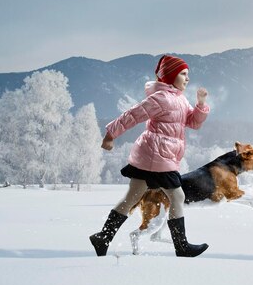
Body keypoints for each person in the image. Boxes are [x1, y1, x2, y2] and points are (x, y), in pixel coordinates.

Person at [89, 55, 210, 257]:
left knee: (132, 197)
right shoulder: (160, 98)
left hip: (154, 156)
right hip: (157, 156)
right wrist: (110, 135)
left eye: (188, 74)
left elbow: (193, 123)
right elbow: (133, 115)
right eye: (183, 74)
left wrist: (200, 105)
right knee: (177, 196)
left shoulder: (179, 98)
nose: (187, 78)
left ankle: (103, 237)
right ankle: (181, 246)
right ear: (170, 76)